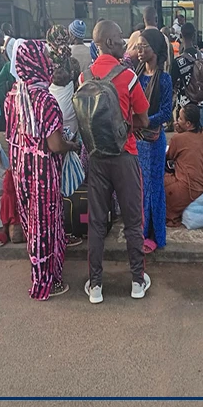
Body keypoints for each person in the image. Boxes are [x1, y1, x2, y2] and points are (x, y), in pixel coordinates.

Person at [83, 20, 151, 305]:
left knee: (97, 223)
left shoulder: (84, 76)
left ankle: (96, 286)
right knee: (133, 221)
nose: (125, 44)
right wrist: (125, 125)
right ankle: (137, 281)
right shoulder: (128, 76)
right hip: (125, 155)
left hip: (97, 157)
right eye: (121, 39)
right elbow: (144, 119)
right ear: (109, 42)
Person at [6, 40, 80, 299]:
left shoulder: (13, 95)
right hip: (43, 172)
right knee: (45, 225)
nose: (49, 62)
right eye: (45, 57)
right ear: (36, 62)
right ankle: (46, 283)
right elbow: (55, 144)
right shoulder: (45, 100)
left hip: (21, 169)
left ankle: (43, 272)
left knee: (33, 223)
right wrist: (72, 145)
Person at [133, 29, 175, 251]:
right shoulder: (136, 76)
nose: (139, 50)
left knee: (154, 188)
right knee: (141, 187)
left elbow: (167, 112)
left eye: (144, 46)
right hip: (138, 141)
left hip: (154, 142)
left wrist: (143, 121)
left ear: (156, 50)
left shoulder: (164, 79)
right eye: (138, 46)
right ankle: (141, 232)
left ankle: (154, 235)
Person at [164, 104, 203, 227]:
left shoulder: (177, 139)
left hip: (186, 190)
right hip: (202, 186)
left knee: (153, 179)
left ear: (188, 124)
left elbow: (169, 157)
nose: (177, 121)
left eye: (180, 119)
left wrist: (179, 133)